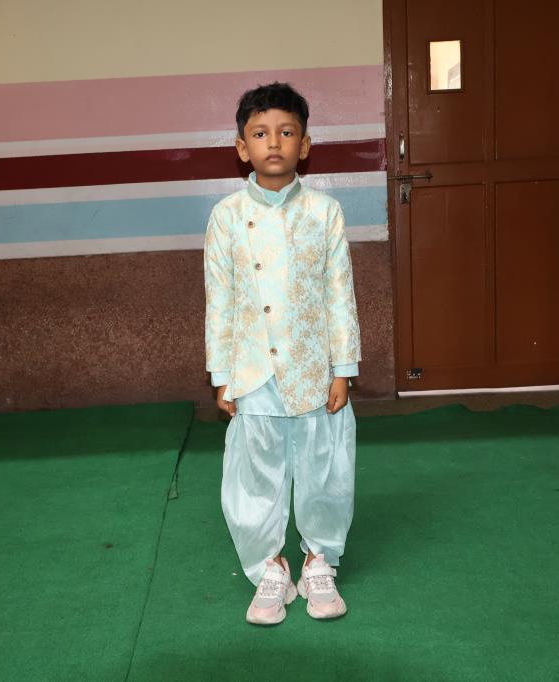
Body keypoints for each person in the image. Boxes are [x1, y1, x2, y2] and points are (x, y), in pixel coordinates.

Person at [203, 82, 361, 625]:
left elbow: (339, 294)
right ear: (242, 147)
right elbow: (220, 299)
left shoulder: (324, 212)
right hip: (252, 370)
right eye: (260, 133)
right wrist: (222, 374)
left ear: (305, 144)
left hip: (314, 368)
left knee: (324, 467)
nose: (274, 142)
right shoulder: (226, 216)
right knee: (255, 473)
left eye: (287, 132)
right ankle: (269, 566)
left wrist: (343, 369)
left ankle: (320, 559)